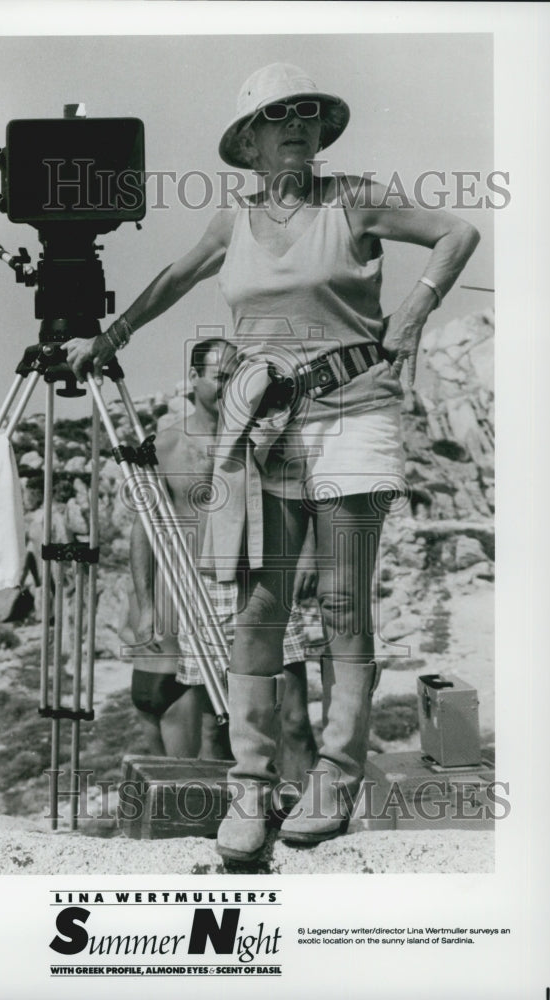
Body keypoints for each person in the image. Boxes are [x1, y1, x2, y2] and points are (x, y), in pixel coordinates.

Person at [67, 63, 479, 862]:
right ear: (250, 140)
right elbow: (171, 281)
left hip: (355, 416)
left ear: (319, 131)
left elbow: (457, 233)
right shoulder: (232, 221)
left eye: (307, 113)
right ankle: (249, 787)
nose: (295, 123)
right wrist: (107, 339)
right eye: (276, 115)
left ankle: (334, 773)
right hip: (266, 429)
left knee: (341, 606)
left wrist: (419, 306)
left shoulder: (355, 197)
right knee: (261, 611)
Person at [128, 337, 322, 777]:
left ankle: (309, 821)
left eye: (237, 376)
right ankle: (227, 821)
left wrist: (308, 555)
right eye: (220, 377)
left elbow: (298, 496)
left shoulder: (266, 430)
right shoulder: (168, 444)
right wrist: (146, 608)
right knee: (217, 725)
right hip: (200, 591)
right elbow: (145, 528)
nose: (230, 386)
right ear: (194, 379)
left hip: (264, 580)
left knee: (293, 719)